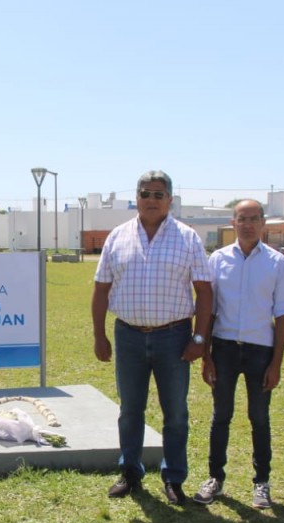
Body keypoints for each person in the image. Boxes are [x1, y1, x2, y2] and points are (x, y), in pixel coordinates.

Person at [92, 170, 212, 505]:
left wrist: (199, 339)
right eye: (145, 193)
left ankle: (173, 477)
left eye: (159, 194)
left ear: (170, 200)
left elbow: (204, 291)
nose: (151, 200)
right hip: (128, 336)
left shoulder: (187, 238)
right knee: (130, 410)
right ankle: (130, 471)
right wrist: (99, 334)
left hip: (174, 337)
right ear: (137, 198)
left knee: (175, 413)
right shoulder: (118, 237)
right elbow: (101, 289)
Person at [193, 199, 284, 509]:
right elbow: (209, 311)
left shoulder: (277, 262)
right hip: (223, 349)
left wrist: (276, 363)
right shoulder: (218, 259)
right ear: (233, 223)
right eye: (242, 218)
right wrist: (206, 355)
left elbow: (283, 315)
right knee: (221, 415)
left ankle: (262, 482)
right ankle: (215, 478)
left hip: (260, 351)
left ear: (263, 223)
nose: (248, 224)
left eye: (254, 218)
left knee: (259, 418)